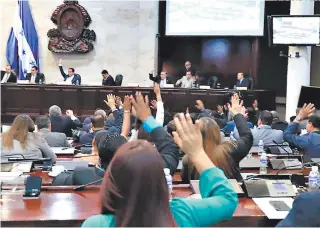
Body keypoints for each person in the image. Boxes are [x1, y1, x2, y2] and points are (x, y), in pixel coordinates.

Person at [81, 111, 238, 227]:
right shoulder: (182, 213)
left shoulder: (96, 225)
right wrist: (197, 153)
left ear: (112, 181)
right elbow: (227, 199)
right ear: (160, 179)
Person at [181, 94, 253, 182]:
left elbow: (185, 181)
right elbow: (247, 137)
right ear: (218, 133)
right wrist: (237, 114)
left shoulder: (189, 158)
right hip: (228, 193)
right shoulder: (229, 150)